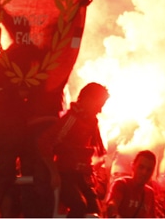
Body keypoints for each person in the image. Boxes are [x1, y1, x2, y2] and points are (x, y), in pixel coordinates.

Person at [39, 82, 109, 218]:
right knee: (79, 205)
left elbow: (95, 153)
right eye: (99, 105)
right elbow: (45, 142)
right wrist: (53, 172)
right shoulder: (71, 119)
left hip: (83, 177)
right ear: (88, 99)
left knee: (95, 212)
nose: (99, 110)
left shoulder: (92, 122)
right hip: (66, 174)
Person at [105, 150, 158, 218]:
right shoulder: (121, 184)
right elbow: (112, 205)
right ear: (133, 166)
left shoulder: (150, 193)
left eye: (149, 170)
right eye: (141, 167)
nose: (144, 172)